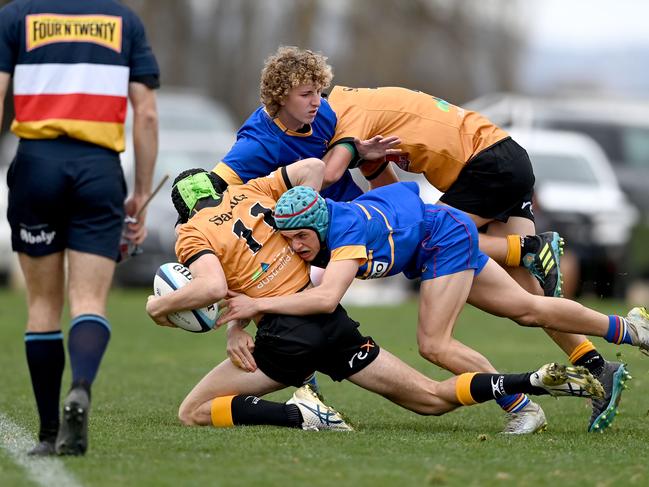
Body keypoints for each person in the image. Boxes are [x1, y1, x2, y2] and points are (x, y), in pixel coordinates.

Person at [146, 160, 603, 433]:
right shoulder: (253, 193)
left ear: (182, 212)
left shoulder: (191, 232)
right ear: (217, 188)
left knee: (193, 412)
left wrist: (159, 307)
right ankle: (531, 381)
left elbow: (208, 287)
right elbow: (308, 171)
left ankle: (300, 415)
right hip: (329, 323)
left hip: (286, 336)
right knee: (430, 400)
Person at [0, 0, 159, 456]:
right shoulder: (124, 20)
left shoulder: (17, 17)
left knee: (42, 305)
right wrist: (142, 193)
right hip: (98, 170)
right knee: (88, 301)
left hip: (36, 165)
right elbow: (146, 113)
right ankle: (82, 386)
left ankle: (49, 434)